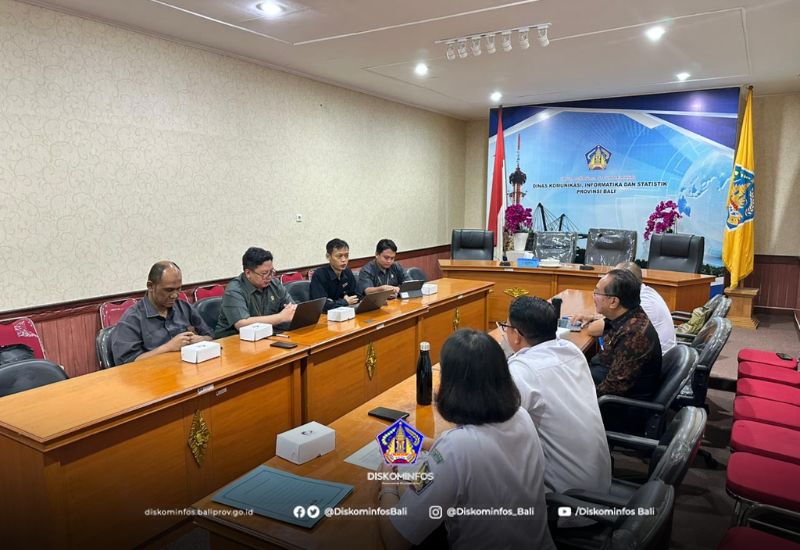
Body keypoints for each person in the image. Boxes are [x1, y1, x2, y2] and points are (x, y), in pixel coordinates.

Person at [377, 329, 554, 550]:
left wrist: (387, 481)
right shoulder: (521, 417)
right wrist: (424, 442)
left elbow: (395, 541)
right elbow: (481, 450)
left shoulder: (456, 449)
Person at [503, 297, 611, 495]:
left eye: (506, 327)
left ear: (516, 335)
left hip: (564, 495)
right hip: (599, 482)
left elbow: (498, 427)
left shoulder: (523, 370)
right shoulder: (571, 350)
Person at [577, 269, 662, 398]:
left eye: (597, 292)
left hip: (613, 404)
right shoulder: (628, 316)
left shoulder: (634, 335)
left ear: (613, 302)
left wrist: (575, 395)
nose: (593, 296)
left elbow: (612, 389)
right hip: (599, 378)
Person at [111, 261, 213, 365]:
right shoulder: (132, 319)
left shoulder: (184, 308)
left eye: (178, 289)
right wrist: (167, 347)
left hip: (186, 369)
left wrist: (201, 340)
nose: (175, 295)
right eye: (169, 290)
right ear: (150, 286)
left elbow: (210, 337)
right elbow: (126, 364)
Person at [214, 247, 296, 338]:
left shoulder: (274, 284)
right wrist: (281, 317)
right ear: (248, 273)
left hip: (265, 336)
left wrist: (291, 311)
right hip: (233, 339)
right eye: (264, 273)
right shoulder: (234, 291)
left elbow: (292, 308)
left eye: (271, 271)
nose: (269, 277)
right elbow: (241, 323)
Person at [616, 261, 676, 355]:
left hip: (659, 360)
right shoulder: (646, 291)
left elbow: (612, 327)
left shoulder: (643, 303)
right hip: (653, 353)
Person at [310, 238, 361, 312]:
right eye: (339, 256)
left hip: (345, 312)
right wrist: (344, 302)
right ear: (328, 256)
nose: (344, 260)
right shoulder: (319, 275)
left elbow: (357, 295)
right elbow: (320, 305)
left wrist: (347, 298)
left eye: (346, 255)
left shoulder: (347, 271)